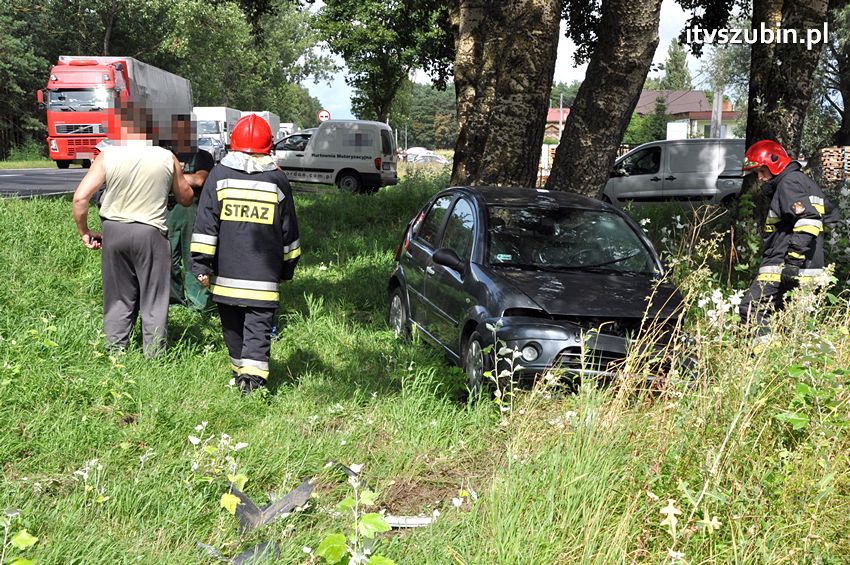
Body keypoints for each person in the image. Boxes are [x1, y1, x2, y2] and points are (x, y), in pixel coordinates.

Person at [72, 102, 194, 357]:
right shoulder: (166, 157)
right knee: (154, 296)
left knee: (118, 295)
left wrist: (85, 231)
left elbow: (80, 198)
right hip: (151, 233)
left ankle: (115, 352)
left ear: (122, 129)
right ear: (150, 130)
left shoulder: (108, 156)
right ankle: (154, 354)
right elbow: (185, 198)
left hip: (114, 232)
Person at [191, 114, 301, 393]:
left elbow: (205, 225)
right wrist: (287, 270)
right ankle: (250, 383)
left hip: (226, 278)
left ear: (233, 144)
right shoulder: (278, 180)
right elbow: (289, 233)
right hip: (263, 280)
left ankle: (242, 379)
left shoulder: (218, 176)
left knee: (233, 330)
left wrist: (201, 266)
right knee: (258, 331)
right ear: (269, 146)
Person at [738, 139, 837, 332]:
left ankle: (761, 356)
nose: (759, 177)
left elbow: (809, 219)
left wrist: (793, 261)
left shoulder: (788, 183)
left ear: (775, 164)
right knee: (789, 321)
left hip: (784, 264)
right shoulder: (804, 182)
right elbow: (830, 216)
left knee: (752, 308)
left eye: (761, 171)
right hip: (809, 266)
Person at [165, 114, 215, 310]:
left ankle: (197, 304)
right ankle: (174, 301)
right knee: (169, 259)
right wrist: (186, 179)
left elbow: (200, 180)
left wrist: (171, 178)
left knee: (194, 259)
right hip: (168, 214)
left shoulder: (203, 156)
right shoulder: (165, 155)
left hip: (193, 214)